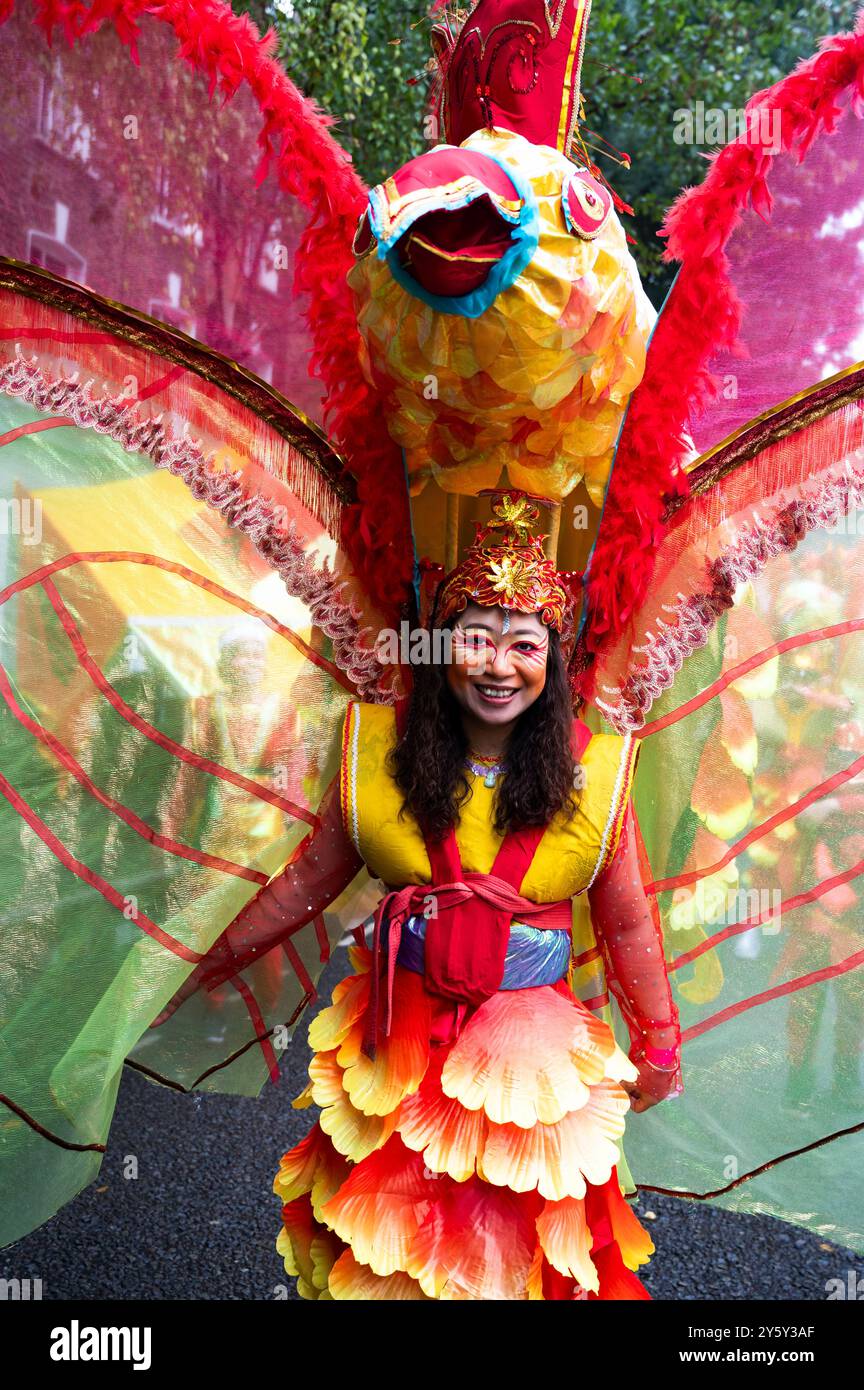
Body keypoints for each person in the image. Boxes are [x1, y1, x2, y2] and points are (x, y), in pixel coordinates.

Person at [156, 492, 682, 1301]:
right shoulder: (376, 747)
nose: (497, 666)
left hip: (527, 1069)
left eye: (523, 644)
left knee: (520, 1269)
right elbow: (301, 884)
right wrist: (190, 963)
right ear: (440, 648)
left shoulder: (598, 770)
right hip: (396, 1045)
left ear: (554, 658)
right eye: (475, 639)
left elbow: (626, 919)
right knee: (385, 1262)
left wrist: (659, 1044)